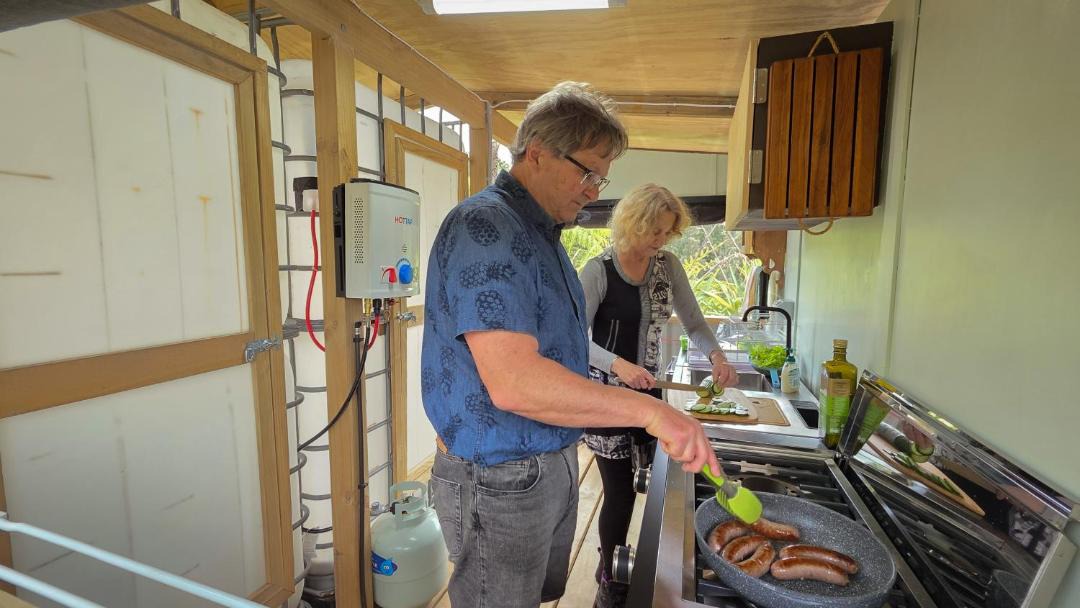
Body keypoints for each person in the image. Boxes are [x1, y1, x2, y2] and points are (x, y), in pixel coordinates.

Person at [420, 83, 720, 608]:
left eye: (601, 178)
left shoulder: (545, 238)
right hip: (498, 476)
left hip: (547, 460)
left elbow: (563, 352)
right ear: (537, 152)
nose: (593, 190)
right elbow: (515, 383)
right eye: (587, 173)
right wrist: (652, 412)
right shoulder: (486, 225)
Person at [579, 183, 738, 607]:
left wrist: (717, 356)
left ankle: (647, 570)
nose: (662, 240)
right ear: (634, 223)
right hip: (606, 399)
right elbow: (573, 338)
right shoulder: (598, 271)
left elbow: (695, 323)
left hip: (652, 400)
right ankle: (611, 579)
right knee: (619, 493)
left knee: (657, 487)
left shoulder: (668, 267)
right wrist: (618, 364)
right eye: (655, 231)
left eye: (668, 232)